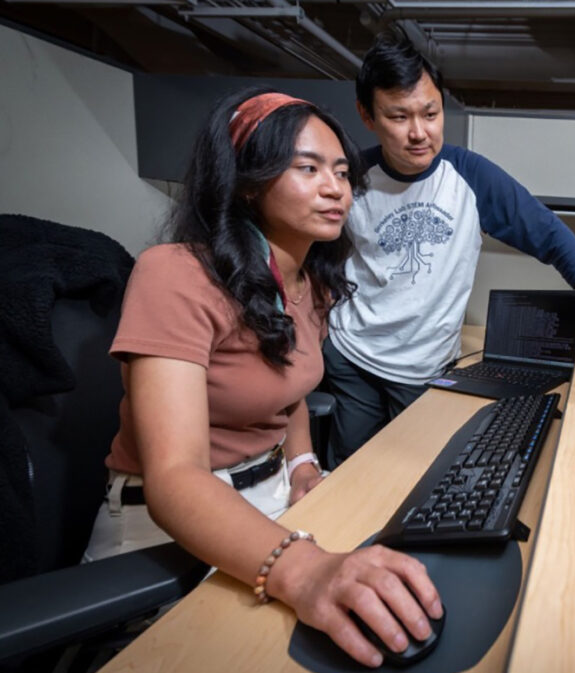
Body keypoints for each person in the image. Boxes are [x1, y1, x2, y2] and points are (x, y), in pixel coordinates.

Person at [83, 88, 442, 668]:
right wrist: (304, 569)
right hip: (165, 520)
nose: (335, 189)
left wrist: (301, 465)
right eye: (307, 168)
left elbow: (290, 390)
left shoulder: (311, 282)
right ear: (249, 183)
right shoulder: (175, 275)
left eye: (343, 172)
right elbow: (174, 477)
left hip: (271, 493)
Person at [323, 30, 575, 466]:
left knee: (412, 477)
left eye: (430, 113)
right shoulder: (351, 177)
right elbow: (314, 253)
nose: (419, 133)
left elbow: (543, 229)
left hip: (425, 368)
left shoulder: (468, 176)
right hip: (355, 358)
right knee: (348, 474)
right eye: (398, 117)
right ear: (367, 116)